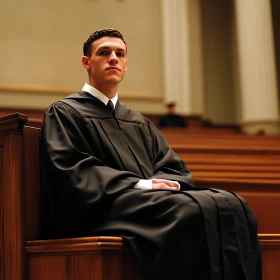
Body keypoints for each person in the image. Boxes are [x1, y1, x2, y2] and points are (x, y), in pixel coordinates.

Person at [40, 28, 262, 280]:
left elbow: (171, 166)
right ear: (86, 62)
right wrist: (142, 184)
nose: (113, 58)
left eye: (119, 53)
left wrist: (165, 183)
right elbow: (71, 169)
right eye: (104, 52)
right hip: (102, 208)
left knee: (233, 204)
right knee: (187, 211)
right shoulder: (64, 112)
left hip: (145, 203)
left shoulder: (138, 121)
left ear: (126, 64)